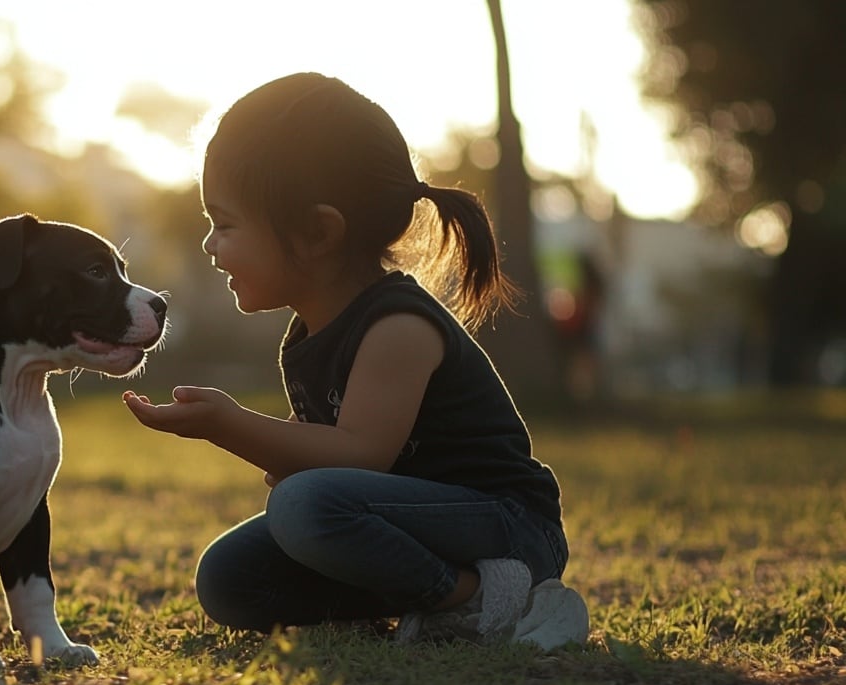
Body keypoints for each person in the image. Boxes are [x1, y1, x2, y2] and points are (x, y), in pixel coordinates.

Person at [122, 72, 588, 649]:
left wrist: (227, 425)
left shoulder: (398, 326)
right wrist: (287, 456)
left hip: (506, 527)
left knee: (304, 506)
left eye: (225, 223)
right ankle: (438, 598)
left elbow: (362, 454)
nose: (210, 245)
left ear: (318, 232)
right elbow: (329, 459)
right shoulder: (306, 337)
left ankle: (483, 601)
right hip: (413, 526)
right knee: (230, 576)